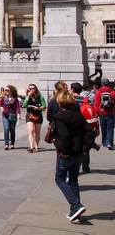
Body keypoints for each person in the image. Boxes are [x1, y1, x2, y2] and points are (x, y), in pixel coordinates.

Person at [52, 91, 96, 223]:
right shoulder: (78, 116)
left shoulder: (59, 116)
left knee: (59, 179)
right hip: (78, 153)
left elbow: (64, 136)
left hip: (66, 154)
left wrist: (64, 151)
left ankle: (76, 205)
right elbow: (91, 134)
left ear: (60, 102)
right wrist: (85, 149)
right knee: (73, 181)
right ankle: (75, 212)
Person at [22, 83, 46, 152]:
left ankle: (37, 146)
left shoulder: (40, 97)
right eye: (30, 89)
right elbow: (24, 105)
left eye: (33, 88)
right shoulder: (28, 97)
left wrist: (38, 108)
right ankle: (31, 146)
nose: (32, 90)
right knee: (31, 130)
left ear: (36, 89)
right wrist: (27, 97)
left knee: (37, 131)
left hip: (38, 115)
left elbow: (44, 106)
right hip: (30, 115)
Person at [93, 78, 115, 150]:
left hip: (101, 112)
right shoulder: (112, 92)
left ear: (102, 84)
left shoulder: (98, 92)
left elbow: (96, 103)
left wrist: (96, 113)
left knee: (103, 128)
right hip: (110, 112)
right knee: (110, 128)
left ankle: (104, 142)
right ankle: (109, 143)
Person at [0, 85, 21, 150]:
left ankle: (12, 144)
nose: (6, 91)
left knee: (12, 130)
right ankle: (6, 144)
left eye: (7, 90)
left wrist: (19, 114)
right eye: (5, 90)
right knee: (6, 128)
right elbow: (0, 105)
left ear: (11, 91)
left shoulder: (15, 99)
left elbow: (17, 107)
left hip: (13, 115)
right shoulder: (3, 98)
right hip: (5, 115)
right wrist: (2, 108)